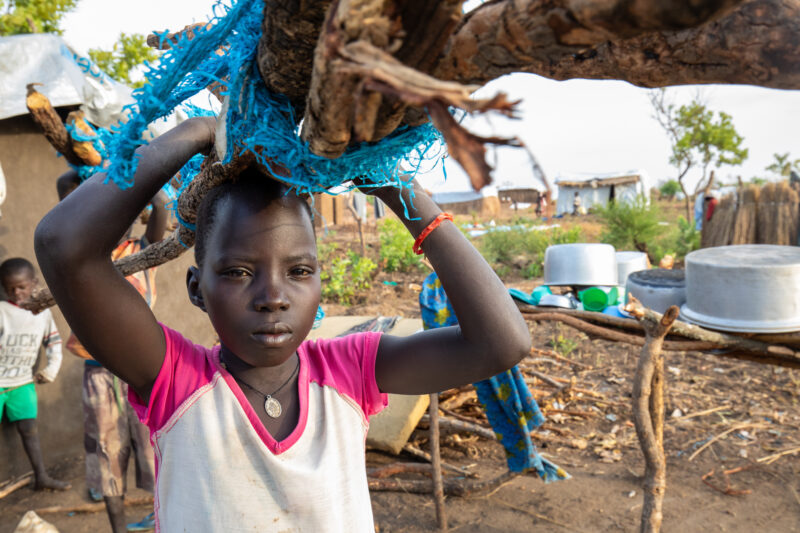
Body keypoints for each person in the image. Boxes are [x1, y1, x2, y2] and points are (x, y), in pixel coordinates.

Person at [34, 117, 531, 531]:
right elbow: (63, 246)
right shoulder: (176, 382)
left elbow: (500, 343)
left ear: (319, 284)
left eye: (298, 272)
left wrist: (393, 184)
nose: (273, 297)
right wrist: (196, 133)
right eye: (237, 272)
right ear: (195, 289)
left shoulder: (349, 370)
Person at [56, 170, 167, 533]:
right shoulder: (79, 249)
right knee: (106, 452)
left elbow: (161, 204)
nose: (111, 219)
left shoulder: (141, 249)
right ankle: (118, 527)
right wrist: (94, 169)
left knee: (153, 448)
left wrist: (129, 165)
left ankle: (160, 518)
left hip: (142, 369)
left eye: (120, 211)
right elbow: (65, 188)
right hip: (99, 371)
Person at [0, 258, 69, 491]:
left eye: (21, 287)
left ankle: (41, 477)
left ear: (34, 283)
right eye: (10, 288)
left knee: (29, 430)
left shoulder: (42, 313)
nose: (16, 292)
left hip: (22, 383)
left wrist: (51, 370)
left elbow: (54, 344)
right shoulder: (2, 311)